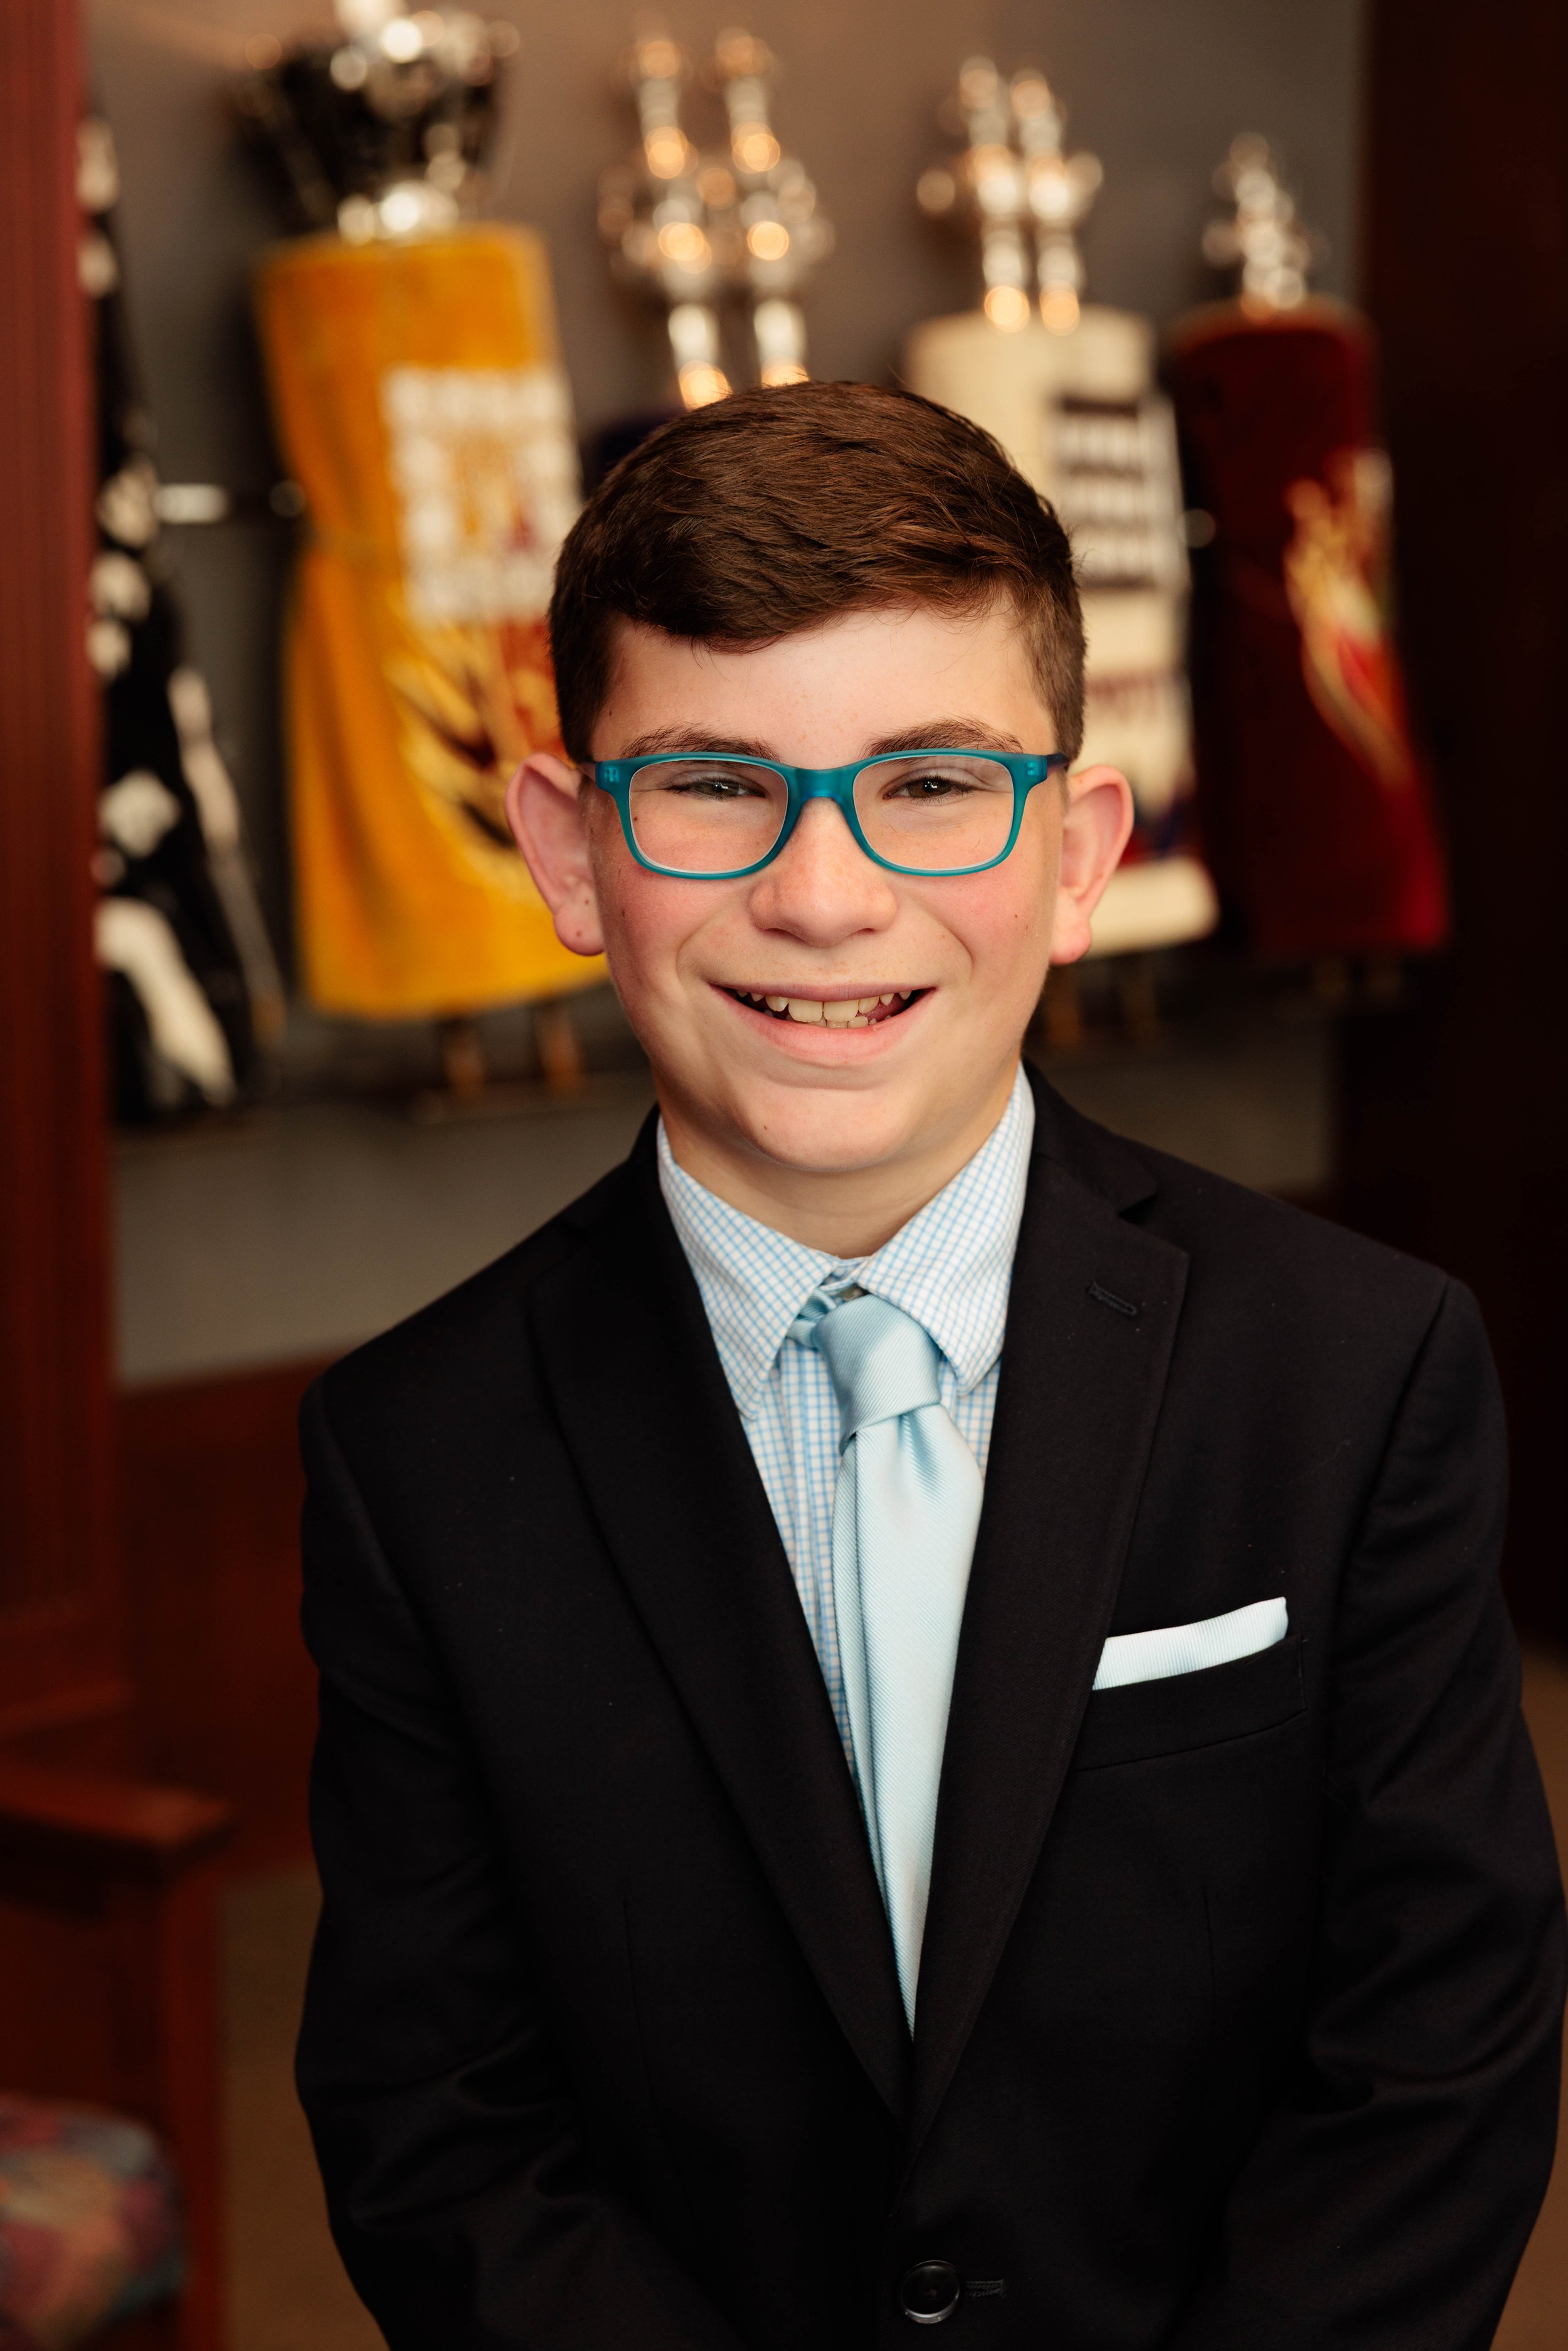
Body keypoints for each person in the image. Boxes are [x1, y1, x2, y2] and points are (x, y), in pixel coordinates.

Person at [295, 383, 1564, 2350]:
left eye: (929, 784)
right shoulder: (418, 1458)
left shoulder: (1352, 1371)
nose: (821, 894)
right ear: (567, 848)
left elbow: (1431, 2059)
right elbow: (441, 2124)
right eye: (713, 782)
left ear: (1076, 854)